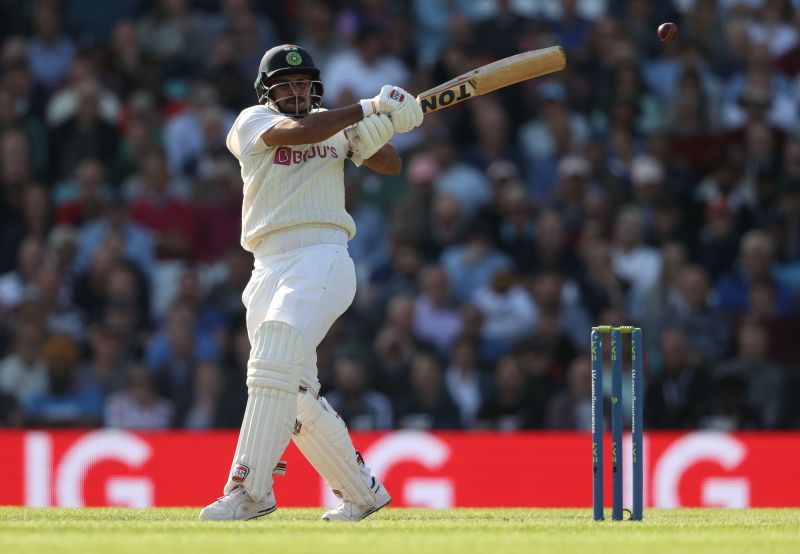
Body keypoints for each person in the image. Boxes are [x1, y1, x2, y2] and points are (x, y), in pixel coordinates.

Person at [199, 44, 423, 522]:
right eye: (287, 84)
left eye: (303, 84)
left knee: (275, 351)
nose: (297, 91)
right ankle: (363, 495)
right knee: (292, 391)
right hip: (267, 266)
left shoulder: (332, 122)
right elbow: (297, 133)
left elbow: (388, 163)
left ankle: (251, 490)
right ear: (268, 91)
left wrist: (388, 123)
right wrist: (368, 109)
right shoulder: (252, 121)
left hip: (322, 256)